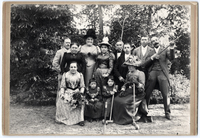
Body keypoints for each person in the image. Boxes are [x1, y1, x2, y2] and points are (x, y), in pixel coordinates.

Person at [140, 36, 175, 120]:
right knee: (147, 93)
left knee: (165, 93)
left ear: (158, 41)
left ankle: (167, 112)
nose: (155, 41)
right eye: (153, 41)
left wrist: (172, 47)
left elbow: (172, 58)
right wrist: (152, 58)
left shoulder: (165, 50)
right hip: (152, 73)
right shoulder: (150, 52)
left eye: (156, 40)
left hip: (162, 73)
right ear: (151, 43)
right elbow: (144, 65)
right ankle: (144, 112)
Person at [113, 55, 148, 125]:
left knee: (124, 102)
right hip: (129, 91)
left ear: (135, 66)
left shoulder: (140, 73)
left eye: (131, 66)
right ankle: (118, 118)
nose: (129, 67)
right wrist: (123, 89)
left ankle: (128, 118)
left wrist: (137, 83)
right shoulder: (128, 74)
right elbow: (126, 83)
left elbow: (142, 86)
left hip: (137, 93)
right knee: (116, 100)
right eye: (128, 66)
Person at [56, 61, 85, 126]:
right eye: (71, 67)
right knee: (62, 100)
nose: (73, 68)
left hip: (76, 91)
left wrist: (80, 94)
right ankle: (65, 118)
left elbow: (82, 86)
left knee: (80, 101)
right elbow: (63, 86)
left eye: (75, 67)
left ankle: (80, 120)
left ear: (77, 68)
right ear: (69, 68)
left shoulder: (80, 75)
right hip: (68, 91)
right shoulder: (65, 74)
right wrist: (62, 94)